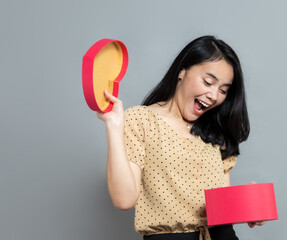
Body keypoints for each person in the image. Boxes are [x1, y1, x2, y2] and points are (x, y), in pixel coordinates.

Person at [97, 35, 266, 240]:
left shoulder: (216, 134)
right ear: (182, 71)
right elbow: (123, 200)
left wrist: (247, 205)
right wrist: (114, 126)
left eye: (223, 90)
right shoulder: (142, 120)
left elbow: (218, 212)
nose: (214, 95)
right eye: (208, 82)